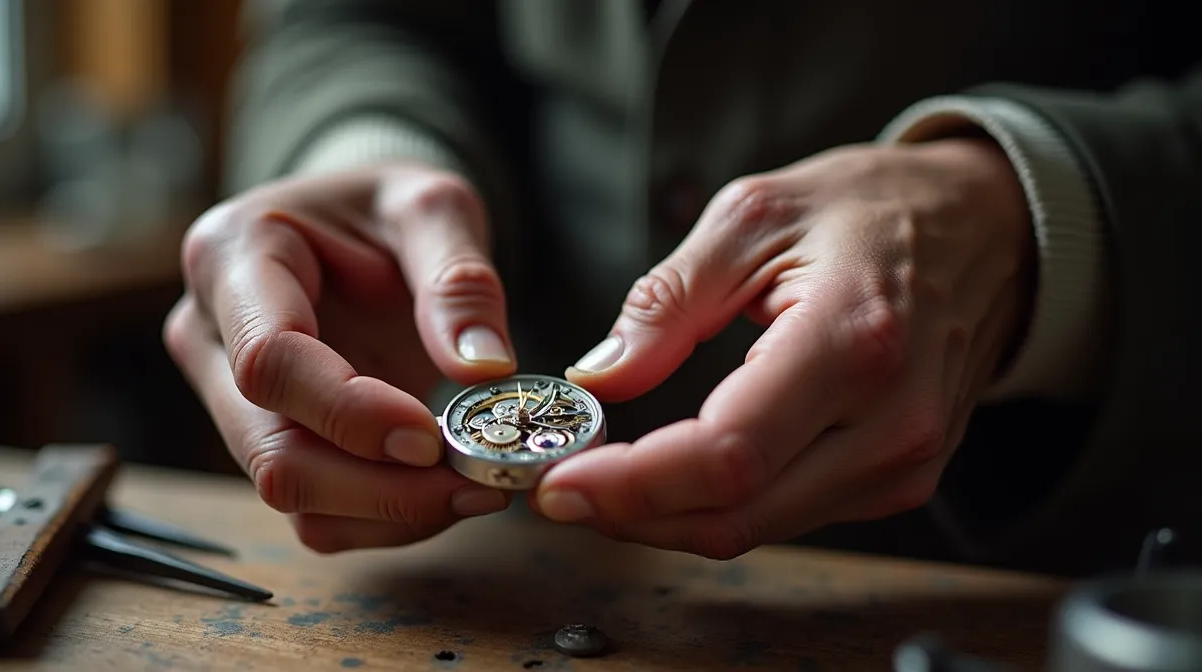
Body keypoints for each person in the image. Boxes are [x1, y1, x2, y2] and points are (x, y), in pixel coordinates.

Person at [162, 0, 1202, 576]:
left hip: (1050, 576)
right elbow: (357, 19)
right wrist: (365, 154)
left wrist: (1035, 214)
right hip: (511, 579)